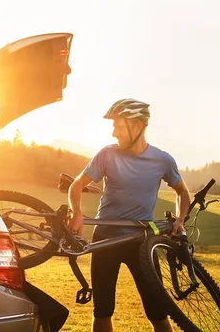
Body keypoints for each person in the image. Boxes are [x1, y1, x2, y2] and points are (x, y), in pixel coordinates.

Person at [67, 98, 191, 332]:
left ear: (137, 126)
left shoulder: (162, 159)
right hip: (105, 239)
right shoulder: (107, 154)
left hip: (142, 243)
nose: (114, 133)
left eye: (119, 126)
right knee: (102, 311)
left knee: (158, 311)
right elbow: (76, 185)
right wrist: (76, 213)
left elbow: (183, 192)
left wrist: (180, 219)